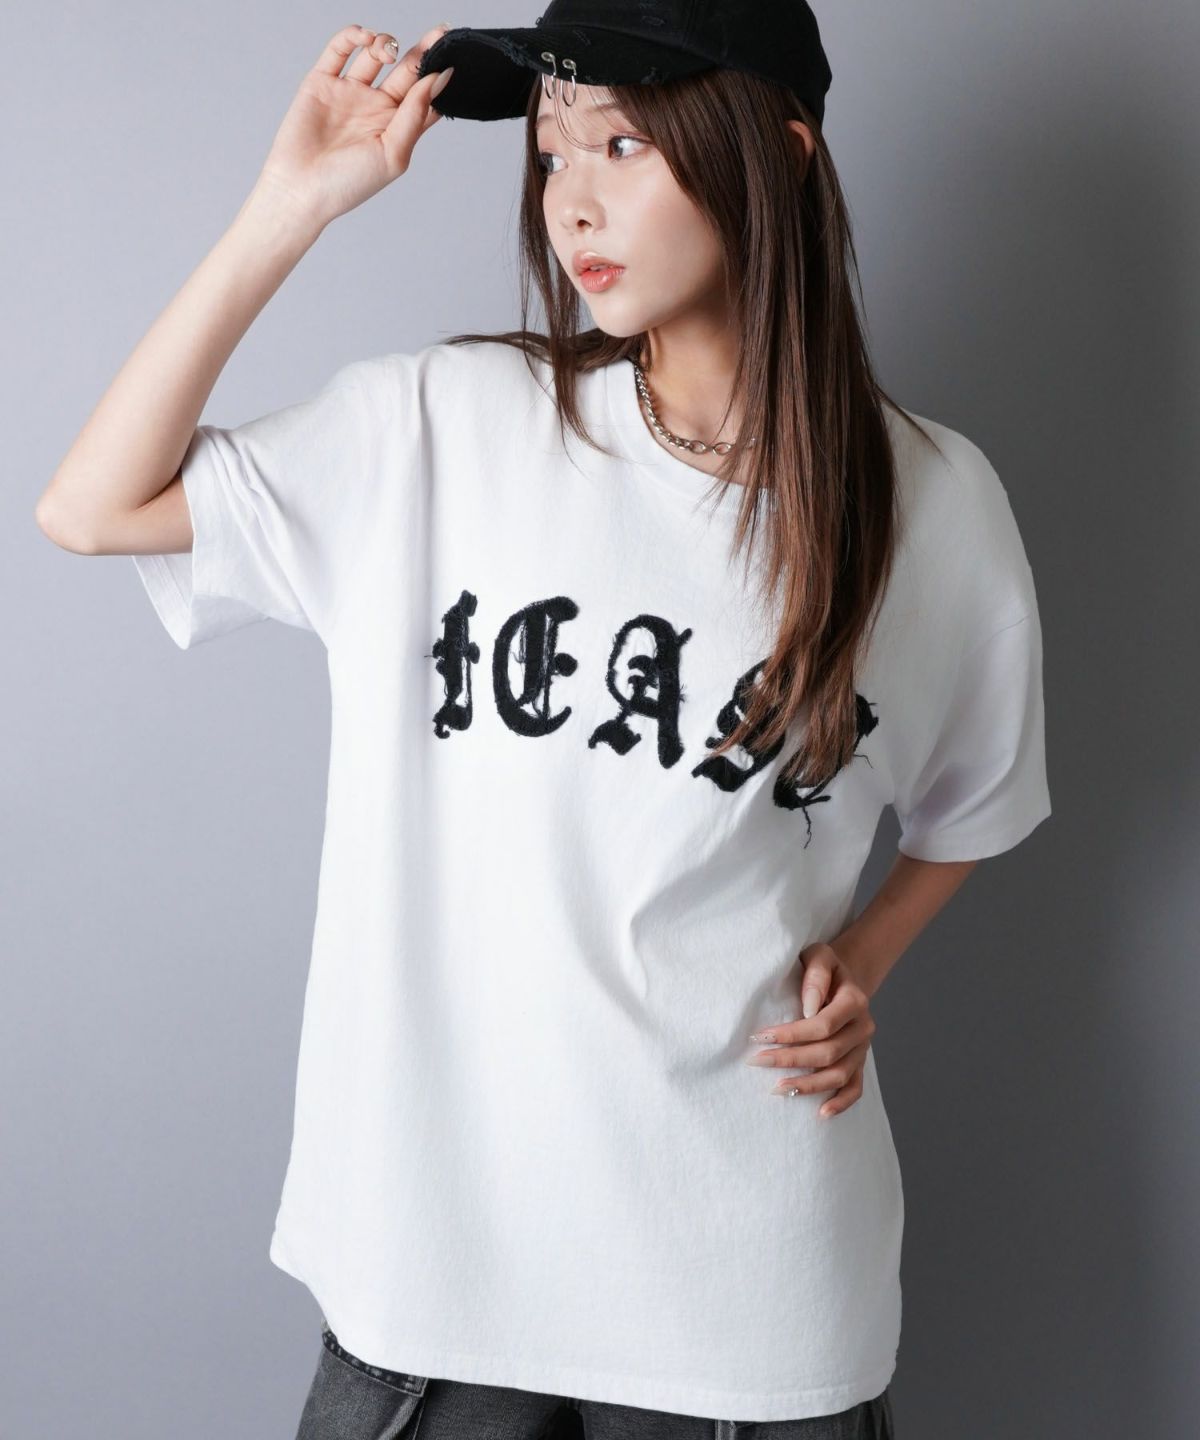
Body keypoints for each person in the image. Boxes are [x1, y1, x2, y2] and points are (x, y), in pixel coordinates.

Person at [36, 2, 1052, 1436]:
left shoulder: (934, 505)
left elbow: (975, 807)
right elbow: (93, 507)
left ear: (782, 153)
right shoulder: (448, 425)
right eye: (552, 150)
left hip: (747, 1299)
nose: (571, 199)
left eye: (623, 144)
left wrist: (862, 960)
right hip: (437, 1288)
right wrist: (289, 205)